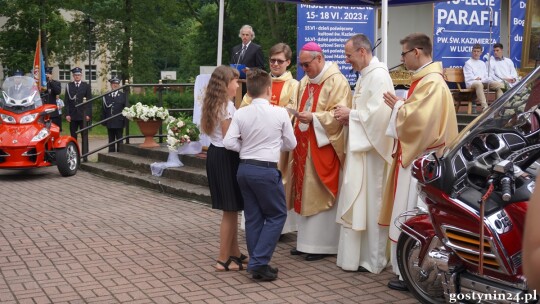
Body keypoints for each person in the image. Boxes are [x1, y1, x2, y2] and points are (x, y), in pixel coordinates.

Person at [380, 33, 458, 291]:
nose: (401, 60)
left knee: (416, 213)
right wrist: (402, 107)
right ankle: (409, 270)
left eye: (403, 54)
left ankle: (415, 272)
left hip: (423, 161)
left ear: (416, 52)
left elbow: (420, 122)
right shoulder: (425, 80)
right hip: (419, 157)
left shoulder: (432, 82)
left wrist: (399, 108)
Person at [224, 68, 297, 281]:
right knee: (277, 215)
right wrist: (275, 145)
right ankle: (258, 262)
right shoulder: (279, 112)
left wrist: (246, 149)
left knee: (254, 217)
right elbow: (291, 143)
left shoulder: (241, 112)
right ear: (268, 89)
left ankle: (258, 263)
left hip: (245, 168)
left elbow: (229, 142)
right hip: (265, 169)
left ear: (249, 91)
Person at [333, 34, 394, 274]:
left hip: (373, 155)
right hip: (360, 151)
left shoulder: (379, 76)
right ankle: (355, 257)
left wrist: (352, 115)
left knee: (372, 204)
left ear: (362, 52)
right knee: (358, 203)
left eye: (349, 55)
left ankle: (373, 259)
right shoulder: (366, 75)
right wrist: (350, 115)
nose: (347, 60)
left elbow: (380, 116)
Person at [290, 42, 351, 262]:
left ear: (319, 58)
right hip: (303, 145)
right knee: (303, 192)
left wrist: (314, 118)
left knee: (318, 190)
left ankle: (324, 244)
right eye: (302, 65)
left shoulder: (337, 81)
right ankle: (305, 242)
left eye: (307, 64)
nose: (304, 69)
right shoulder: (304, 81)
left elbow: (340, 115)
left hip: (323, 147)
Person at [240, 42, 299, 235]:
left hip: (279, 143)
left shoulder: (294, 85)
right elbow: (245, 105)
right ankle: (259, 227)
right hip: (256, 143)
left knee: (280, 182)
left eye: (279, 61)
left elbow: (291, 111)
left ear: (288, 62)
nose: (275, 64)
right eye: (272, 60)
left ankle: (280, 230)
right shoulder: (260, 81)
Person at [200, 65, 246, 272]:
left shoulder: (214, 103)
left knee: (232, 208)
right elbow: (229, 139)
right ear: (225, 85)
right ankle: (222, 259)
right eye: (235, 81)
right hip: (226, 157)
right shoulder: (226, 106)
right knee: (230, 210)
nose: (238, 85)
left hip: (215, 155)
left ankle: (234, 252)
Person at [463, 44, 504, 112]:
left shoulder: (482, 63)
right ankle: (485, 108)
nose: (476, 53)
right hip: (472, 83)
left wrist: (487, 79)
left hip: (483, 81)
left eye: (478, 51)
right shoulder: (468, 63)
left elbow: (485, 75)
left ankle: (497, 107)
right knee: (479, 84)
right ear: (472, 52)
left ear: (481, 52)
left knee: (500, 85)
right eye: (474, 51)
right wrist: (478, 78)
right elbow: (469, 77)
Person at [64, 67, 92, 140]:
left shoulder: (86, 86)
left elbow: (89, 101)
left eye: (78, 75)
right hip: (72, 115)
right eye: (75, 75)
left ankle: (85, 151)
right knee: (73, 136)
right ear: (73, 76)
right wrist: (67, 114)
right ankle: (75, 151)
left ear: (81, 75)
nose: (77, 76)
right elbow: (66, 101)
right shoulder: (69, 86)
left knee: (84, 136)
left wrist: (88, 114)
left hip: (83, 114)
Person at [101, 77, 128, 152]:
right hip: (109, 121)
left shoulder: (123, 95)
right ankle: (111, 154)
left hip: (119, 121)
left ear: (119, 85)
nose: (115, 85)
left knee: (120, 139)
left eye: (116, 84)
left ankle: (120, 154)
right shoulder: (106, 95)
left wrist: (125, 122)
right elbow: (103, 109)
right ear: (111, 85)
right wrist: (104, 121)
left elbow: (126, 109)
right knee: (111, 139)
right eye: (113, 84)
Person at [45, 67, 64, 131]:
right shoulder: (40, 84)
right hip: (42, 111)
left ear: (51, 74)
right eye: (46, 74)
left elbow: (58, 92)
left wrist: (50, 81)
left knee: (54, 130)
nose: (47, 75)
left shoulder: (55, 83)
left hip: (52, 111)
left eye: (49, 73)